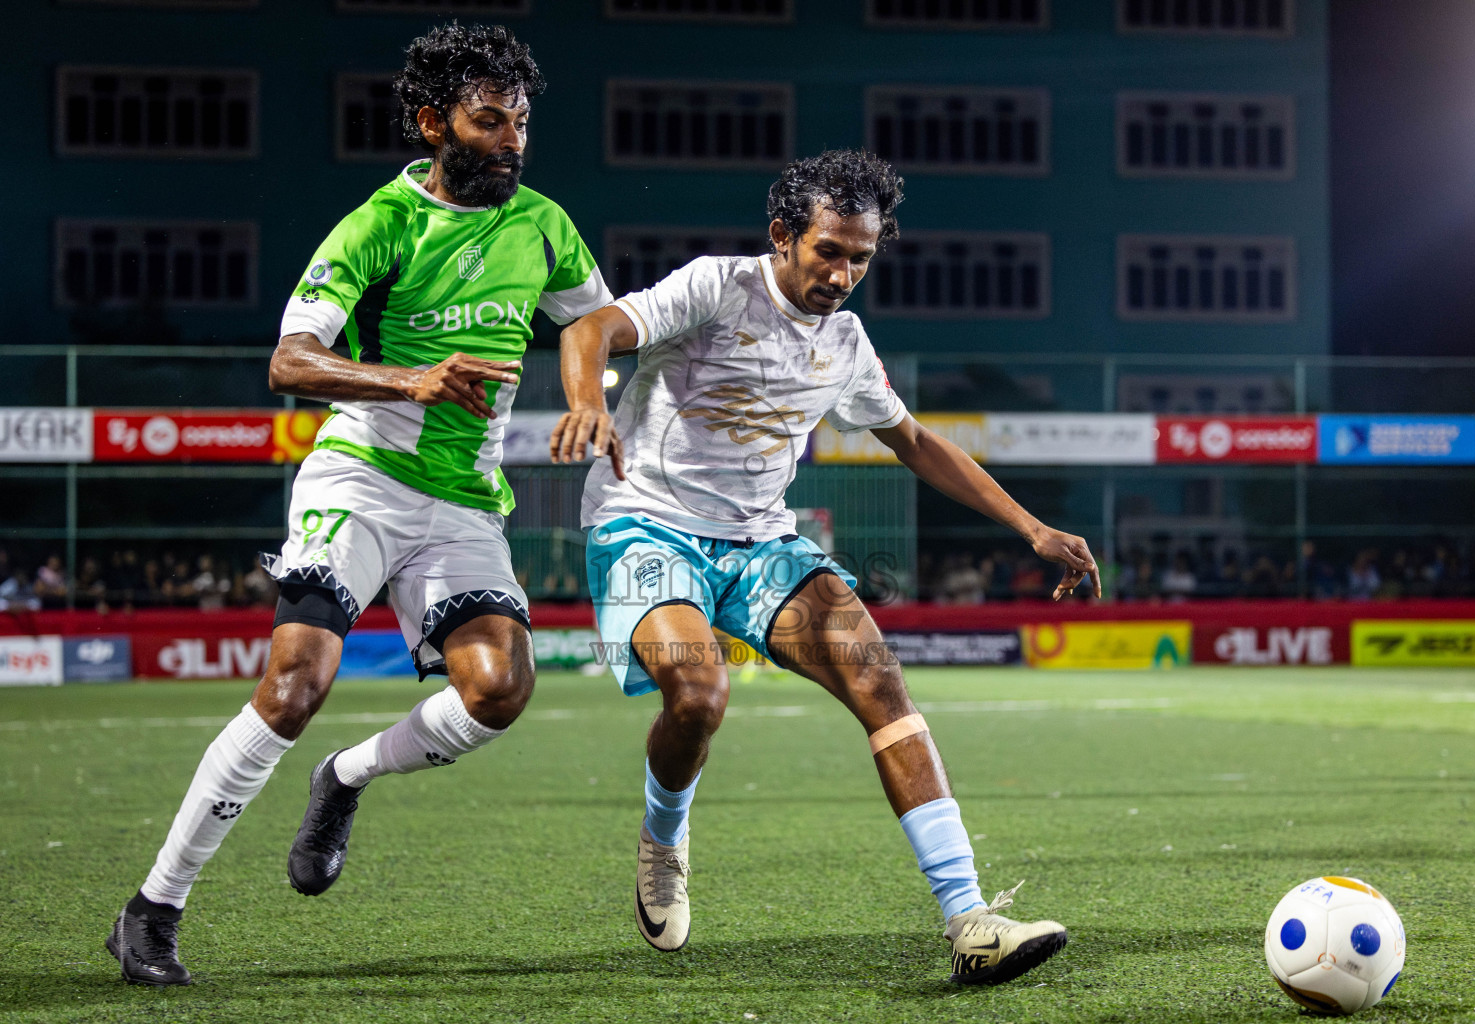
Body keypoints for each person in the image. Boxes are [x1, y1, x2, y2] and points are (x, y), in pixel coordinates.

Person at [105, 22, 612, 987]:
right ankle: (153, 909)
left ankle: (345, 778)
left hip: (464, 503)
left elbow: (594, 318)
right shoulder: (377, 224)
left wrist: (592, 393)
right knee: (295, 685)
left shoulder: (543, 223)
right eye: (489, 120)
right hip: (360, 482)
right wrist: (408, 380)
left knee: (500, 692)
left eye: (521, 123)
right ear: (433, 123)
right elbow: (289, 362)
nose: (512, 140)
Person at [551, 149, 1099, 985]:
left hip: (763, 544)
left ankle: (970, 920)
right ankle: (664, 838)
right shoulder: (714, 286)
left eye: (861, 259)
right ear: (783, 237)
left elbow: (912, 441)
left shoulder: (844, 341)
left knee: (881, 682)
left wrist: (1032, 529)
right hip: (642, 527)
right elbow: (591, 328)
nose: (843, 274)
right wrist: (589, 401)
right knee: (698, 694)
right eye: (829, 252)